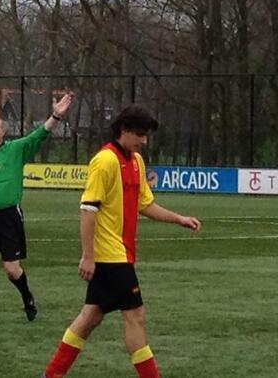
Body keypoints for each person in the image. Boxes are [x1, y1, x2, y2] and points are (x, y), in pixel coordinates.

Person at [42, 105, 202, 378]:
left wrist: (179, 218)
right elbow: (88, 209)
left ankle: (51, 374)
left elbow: (145, 204)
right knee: (135, 316)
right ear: (124, 130)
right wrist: (88, 255)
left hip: (121, 254)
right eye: (140, 134)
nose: (144, 141)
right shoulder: (104, 161)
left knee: (90, 316)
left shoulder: (137, 162)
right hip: (110, 257)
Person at [0, 93, 72, 325]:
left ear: (4, 132)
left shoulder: (16, 149)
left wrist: (56, 116)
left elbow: (40, 134)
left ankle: (27, 298)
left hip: (9, 216)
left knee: (12, 268)